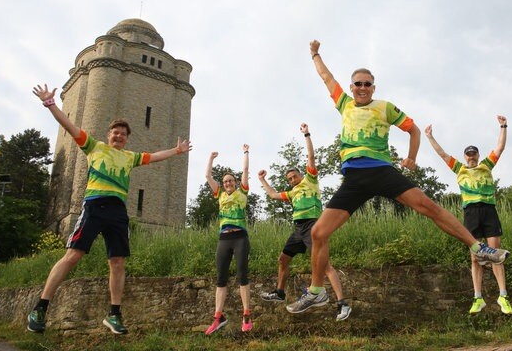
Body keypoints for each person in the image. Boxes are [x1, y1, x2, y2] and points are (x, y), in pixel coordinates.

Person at [285, 40, 509, 314]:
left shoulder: (385, 107)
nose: (363, 88)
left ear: (374, 88)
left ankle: (478, 248)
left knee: (429, 207)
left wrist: (412, 157)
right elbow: (325, 76)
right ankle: (317, 292)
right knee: (319, 232)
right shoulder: (343, 103)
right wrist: (315, 54)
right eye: (358, 83)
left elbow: (413, 130)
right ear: (352, 86)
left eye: (368, 84)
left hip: (382, 171)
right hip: (354, 179)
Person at [28, 84, 192, 335]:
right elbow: (69, 126)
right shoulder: (94, 147)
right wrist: (50, 103)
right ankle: (41, 307)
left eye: (123, 134)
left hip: (118, 212)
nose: (119, 136)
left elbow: (154, 156)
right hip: (94, 206)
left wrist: (177, 151)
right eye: (115, 133)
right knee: (72, 256)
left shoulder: (129, 157)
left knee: (117, 262)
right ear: (108, 135)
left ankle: (114, 314)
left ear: (127, 139)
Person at [258, 123, 352, 321]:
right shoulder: (292, 193)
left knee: (324, 266)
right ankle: (280, 292)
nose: (292, 180)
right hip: (298, 229)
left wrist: (307, 135)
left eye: (294, 176)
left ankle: (342, 304)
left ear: (301, 175)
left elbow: (311, 157)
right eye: (290, 178)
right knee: (283, 259)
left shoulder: (310, 180)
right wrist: (263, 180)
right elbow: (274, 195)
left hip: (313, 226)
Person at [425, 117, 512, 315]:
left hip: (489, 210)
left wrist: (503, 126)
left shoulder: (486, 166)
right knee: (475, 257)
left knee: (495, 254)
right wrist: (430, 137)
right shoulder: (459, 168)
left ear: (478, 155)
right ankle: (478, 298)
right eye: (468, 154)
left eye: (474, 154)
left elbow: (500, 147)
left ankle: (503, 296)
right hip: (471, 213)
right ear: (465, 157)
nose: (471, 157)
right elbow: (442, 154)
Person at [203, 146, 253, 335]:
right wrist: (211, 158)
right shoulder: (220, 194)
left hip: (240, 237)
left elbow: (246, 171)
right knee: (221, 279)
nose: (228, 183)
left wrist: (246, 153)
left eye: (231, 180)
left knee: (242, 275)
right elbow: (208, 176)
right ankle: (218, 317)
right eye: (225, 181)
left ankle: (247, 314)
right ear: (223, 185)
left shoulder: (243, 192)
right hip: (224, 239)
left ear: (235, 182)